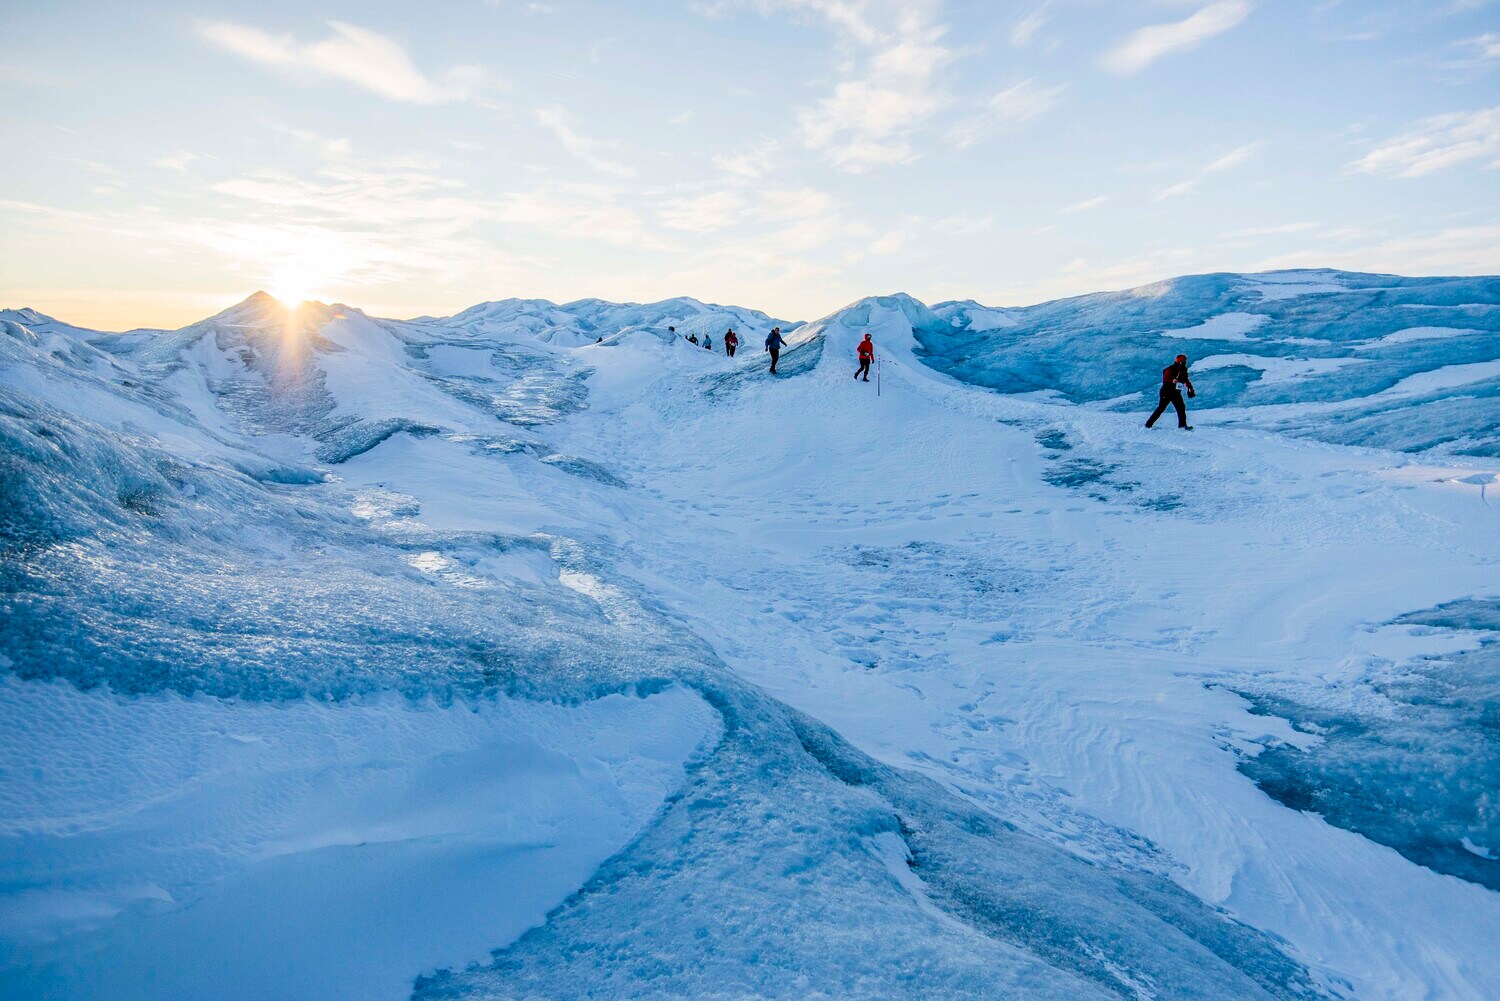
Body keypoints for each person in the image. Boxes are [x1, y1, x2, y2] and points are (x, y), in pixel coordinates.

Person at [1146, 353, 1195, 430]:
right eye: (1184, 361)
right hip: (1166, 391)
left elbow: (1185, 380)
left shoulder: (1184, 370)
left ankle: (1182, 425)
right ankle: (1148, 424)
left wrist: (1190, 388)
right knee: (1161, 408)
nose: (1185, 362)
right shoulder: (1171, 369)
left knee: (1181, 407)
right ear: (1180, 361)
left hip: (1176, 393)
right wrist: (1172, 380)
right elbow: (1166, 378)